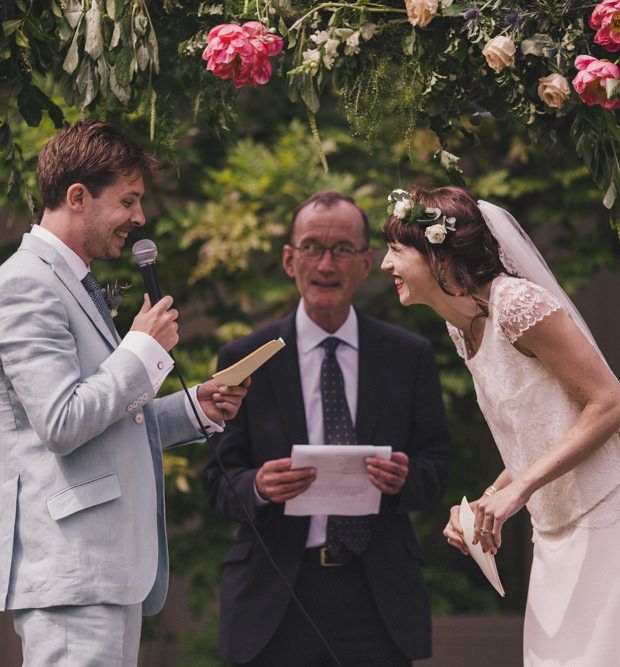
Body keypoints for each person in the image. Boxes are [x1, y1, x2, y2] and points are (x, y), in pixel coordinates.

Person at [381, 185, 620, 665]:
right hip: (555, 529)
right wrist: (486, 502)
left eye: (395, 251)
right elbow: (535, 436)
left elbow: (610, 404)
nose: (386, 266)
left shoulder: (516, 302)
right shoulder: (463, 328)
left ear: (437, 255)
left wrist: (517, 493)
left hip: (610, 516)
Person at [0, 119, 248, 667]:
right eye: (128, 200)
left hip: (107, 573)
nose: (139, 218)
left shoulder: (73, 281)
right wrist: (140, 350)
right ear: (78, 196)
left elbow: (108, 421)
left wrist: (193, 407)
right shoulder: (25, 282)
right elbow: (63, 422)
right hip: (73, 572)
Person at [204, 191, 451, 666]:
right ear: (289, 259)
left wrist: (405, 479)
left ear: (364, 263)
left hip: (377, 597)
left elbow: (437, 467)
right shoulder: (244, 358)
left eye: (342, 250)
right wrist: (256, 485)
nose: (326, 263)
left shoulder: (408, 355)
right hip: (275, 596)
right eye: (313, 247)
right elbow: (216, 480)